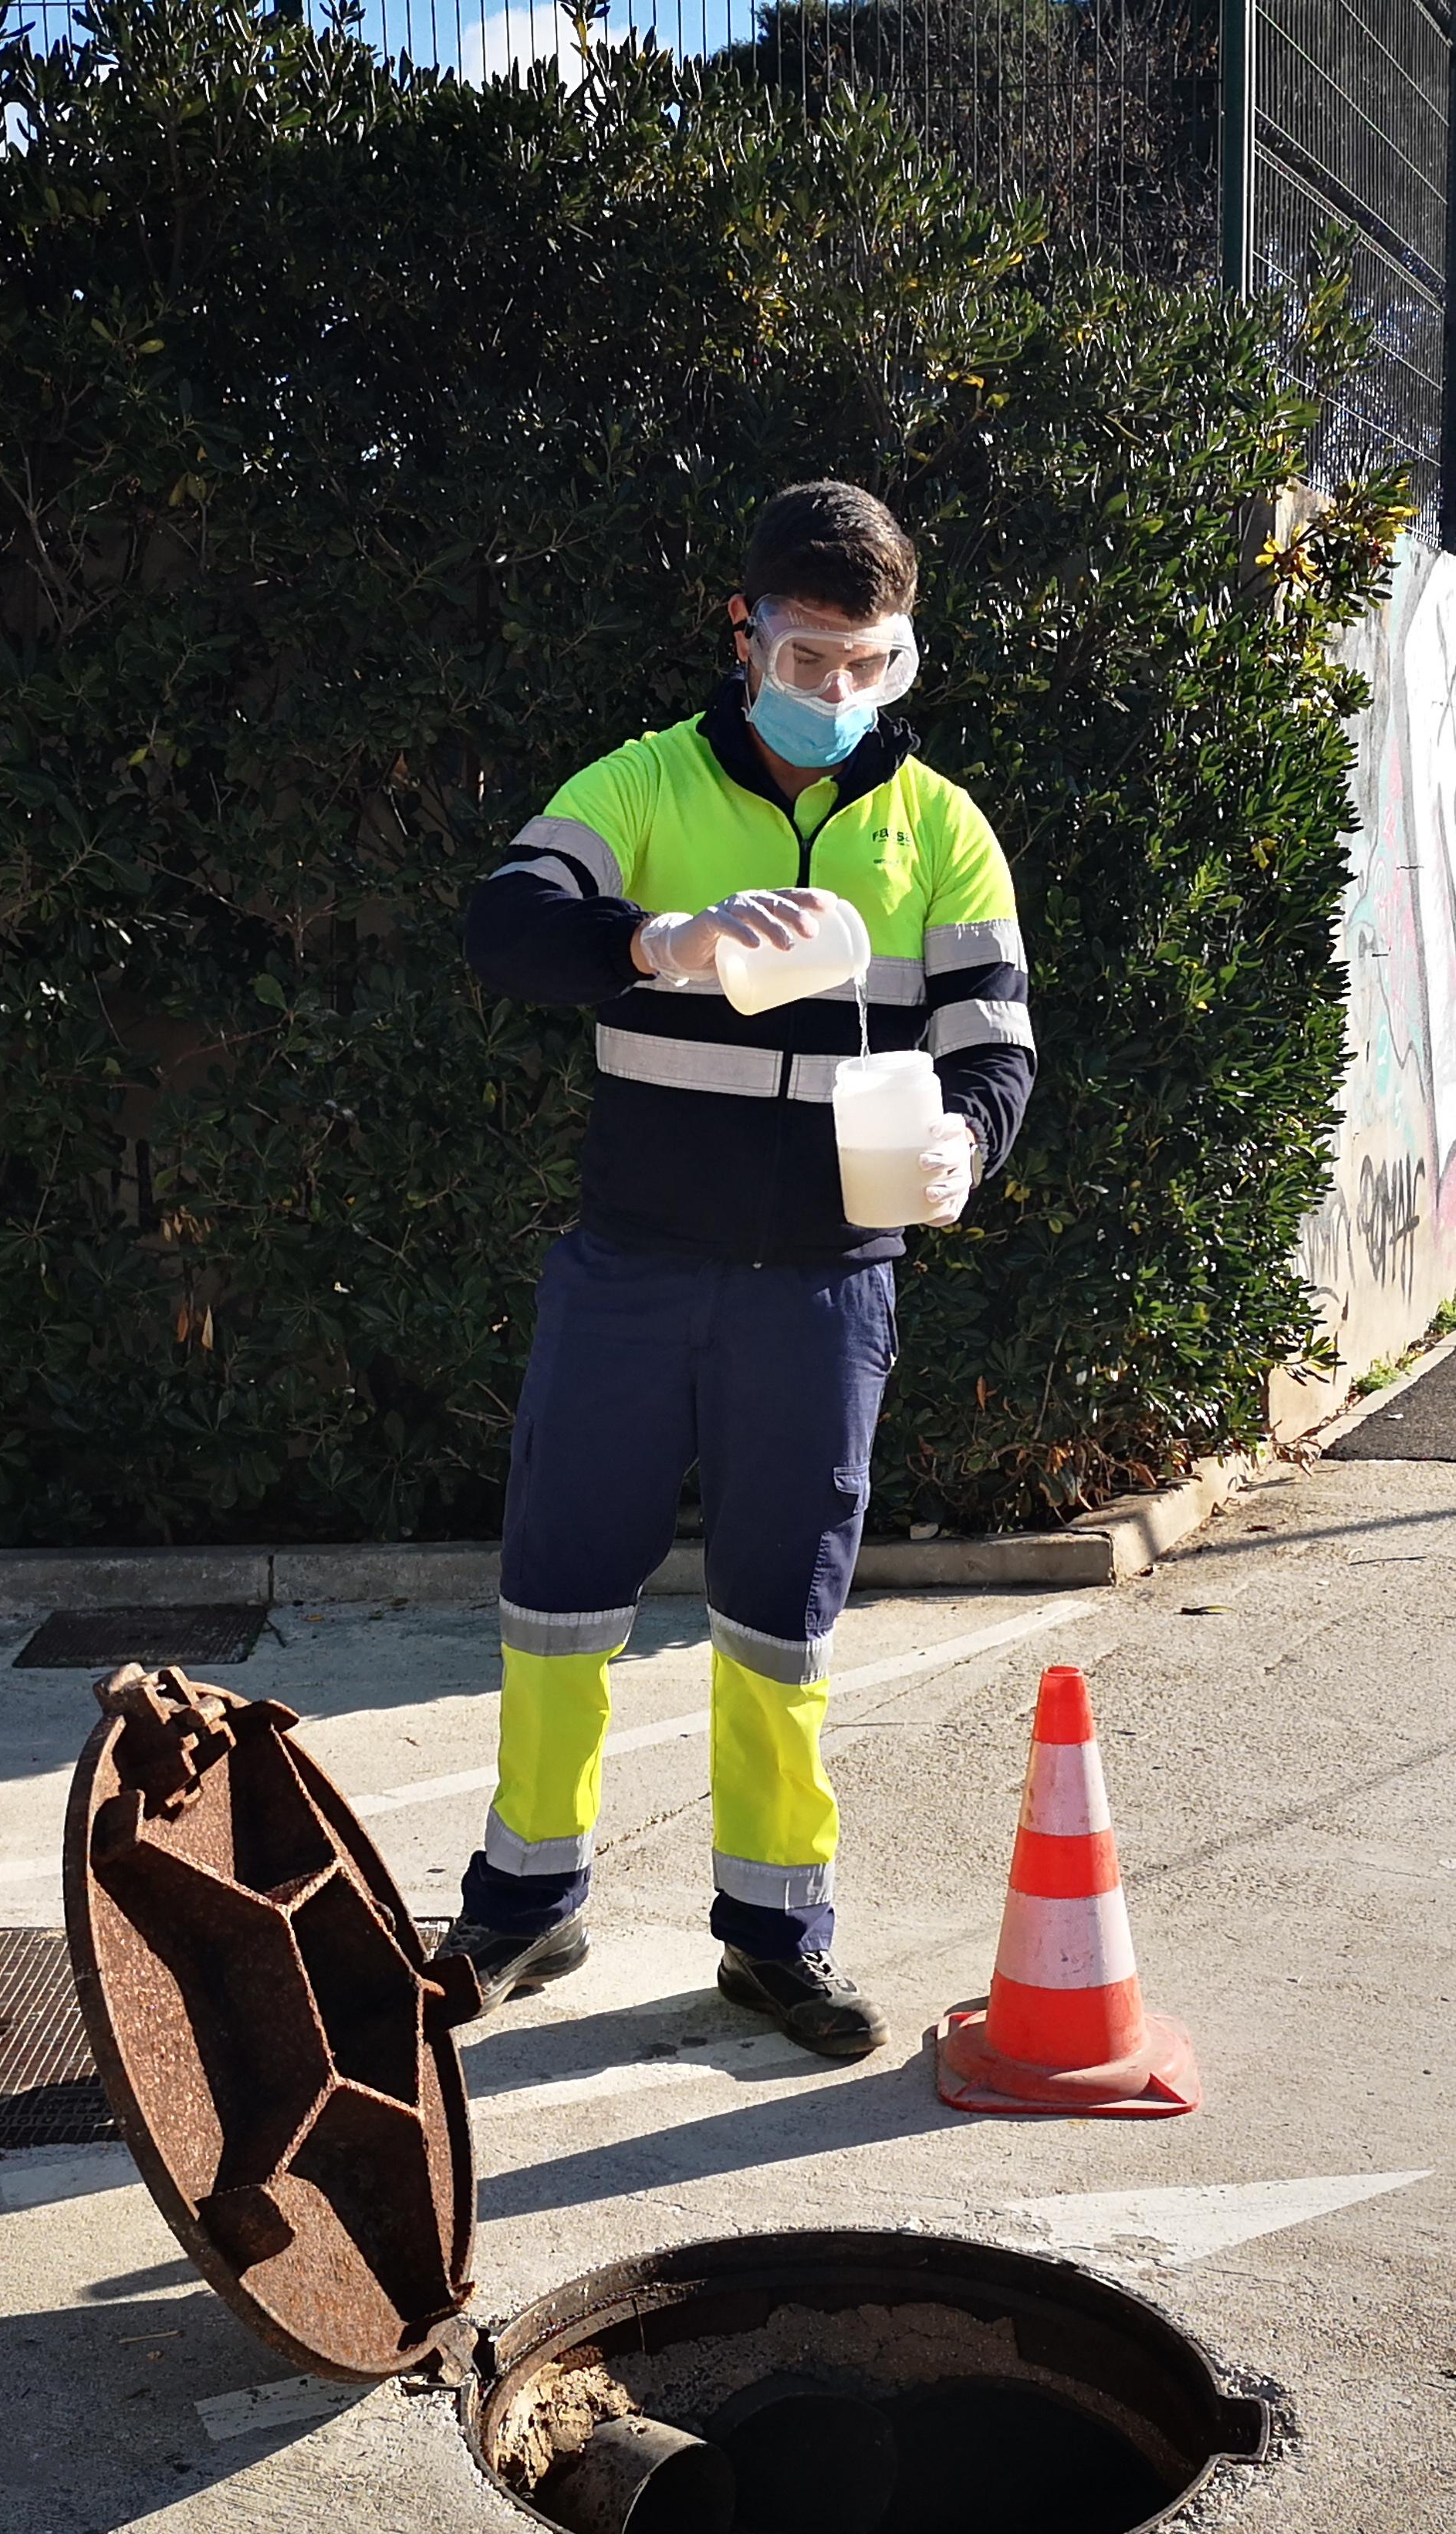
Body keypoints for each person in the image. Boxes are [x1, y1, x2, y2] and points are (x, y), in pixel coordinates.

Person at [444, 478, 1036, 2058]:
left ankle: (774, 1933)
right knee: (560, 1590)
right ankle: (523, 1899)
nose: (834, 692)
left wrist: (966, 1148)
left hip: (828, 1282)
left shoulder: (941, 829)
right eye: (804, 655)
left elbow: (995, 1047)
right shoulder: (641, 784)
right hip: (633, 1266)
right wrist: (660, 941)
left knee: (784, 1613)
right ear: (745, 633)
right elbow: (503, 924)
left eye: (870, 663)